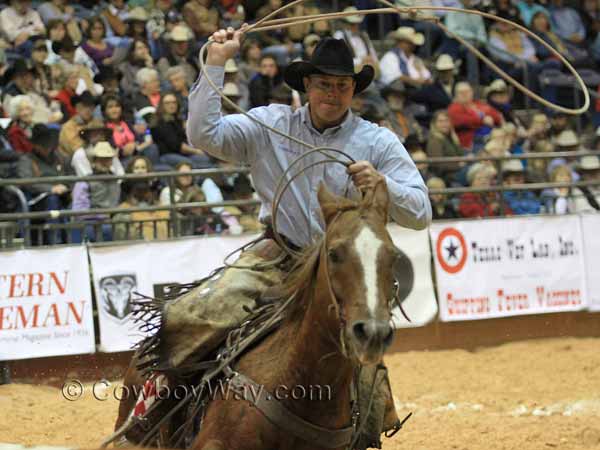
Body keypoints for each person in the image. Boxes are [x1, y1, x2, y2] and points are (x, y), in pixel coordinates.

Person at [121, 33, 431, 450]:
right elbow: (203, 135)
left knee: (366, 363)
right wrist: (215, 62)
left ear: (353, 90)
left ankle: (361, 436)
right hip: (276, 256)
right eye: (324, 84)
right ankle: (145, 424)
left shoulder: (378, 142)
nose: (332, 93)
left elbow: (421, 211)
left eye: (342, 85)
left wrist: (385, 185)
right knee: (187, 318)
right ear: (306, 86)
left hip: (335, 271)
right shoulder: (270, 123)